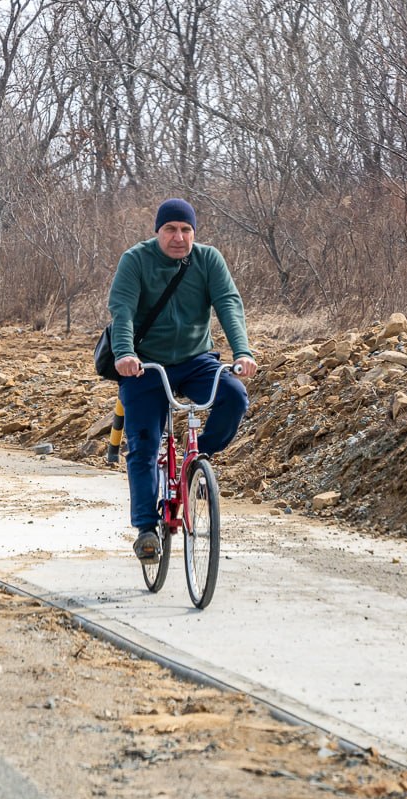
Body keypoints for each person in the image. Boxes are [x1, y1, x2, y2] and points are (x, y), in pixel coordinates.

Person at [108, 198, 258, 563]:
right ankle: (146, 530)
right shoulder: (135, 260)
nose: (179, 237)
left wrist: (242, 352)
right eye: (170, 229)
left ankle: (195, 463)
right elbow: (122, 310)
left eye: (186, 230)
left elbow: (228, 304)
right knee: (144, 443)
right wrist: (124, 353)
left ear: (194, 232)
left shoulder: (208, 260)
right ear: (157, 231)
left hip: (195, 360)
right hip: (144, 365)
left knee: (234, 396)